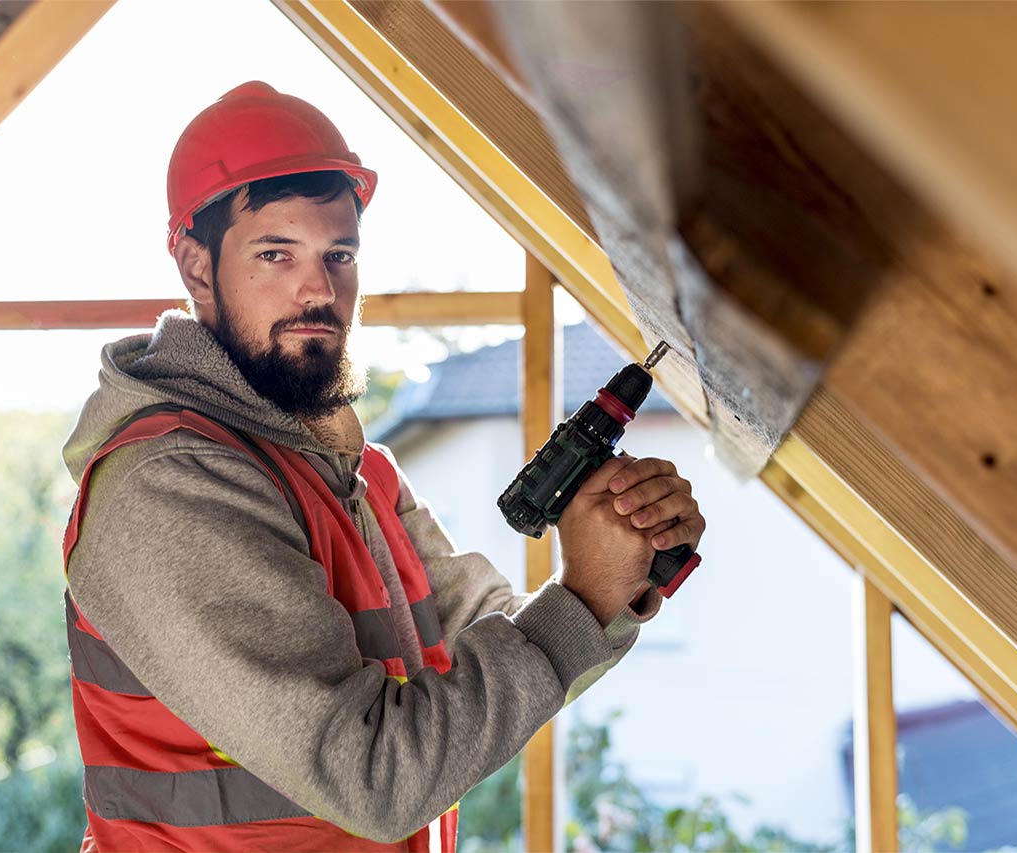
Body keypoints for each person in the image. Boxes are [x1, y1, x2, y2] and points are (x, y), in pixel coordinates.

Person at [61, 82, 705, 853]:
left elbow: (515, 649)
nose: (319, 289)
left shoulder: (357, 471)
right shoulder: (169, 486)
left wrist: (619, 563)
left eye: (340, 254)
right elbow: (374, 778)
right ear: (197, 269)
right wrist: (583, 595)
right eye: (276, 254)